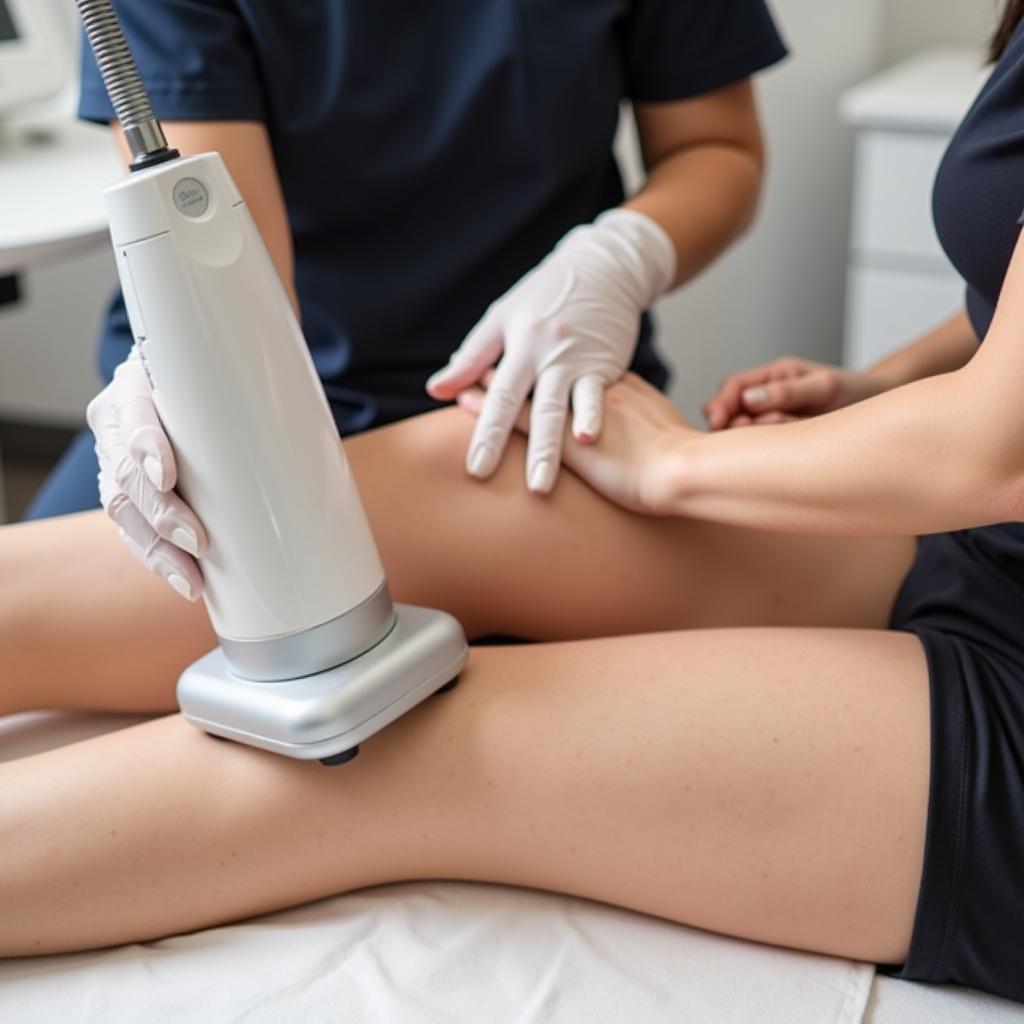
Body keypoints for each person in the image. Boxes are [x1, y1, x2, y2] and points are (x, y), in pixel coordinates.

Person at [2, 3, 1024, 1010]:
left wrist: (673, 457)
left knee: (382, 740)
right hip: (964, 533)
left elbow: (996, 445)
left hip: (992, 566)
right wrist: (885, 386)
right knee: (459, 475)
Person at [23, 0, 786, 519]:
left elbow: (715, 147)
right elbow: (231, 282)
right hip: (260, 399)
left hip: (537, 396)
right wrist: (201, 388)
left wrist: (621, 256)